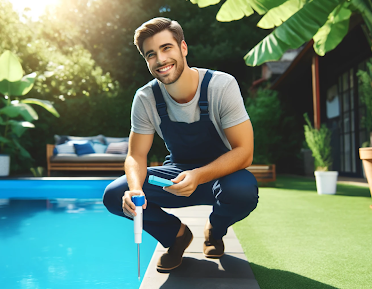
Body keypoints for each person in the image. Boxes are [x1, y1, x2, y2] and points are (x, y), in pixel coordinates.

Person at [103, 17, 258, 272]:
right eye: (151, 54)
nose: (160, 60)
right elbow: (136, 156)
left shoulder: (221, 86)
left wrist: (199, 175)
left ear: (183, 48)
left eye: (166, 48)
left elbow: (245, 152)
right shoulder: (145, 98)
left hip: (220, 176)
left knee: (242, 191)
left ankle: (215, 231)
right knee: (114, 194)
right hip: (175, 176)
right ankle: (176, 236)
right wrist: (135, 189)